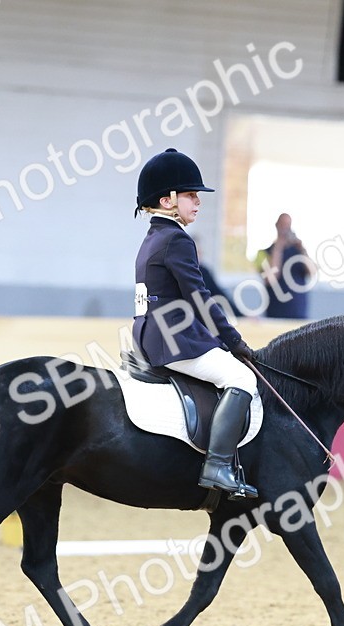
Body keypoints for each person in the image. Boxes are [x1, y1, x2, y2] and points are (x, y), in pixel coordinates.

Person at [132, 148, 258, 499]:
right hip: (173, 339)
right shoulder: (176, 239)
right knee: (242, 377)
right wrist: (233, 341)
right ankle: (217, 465)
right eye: (190, 195)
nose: (198, 202)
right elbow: (200, 298)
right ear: (167, 200)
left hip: (149, 334)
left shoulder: (154, 237)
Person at [255, 214, 312, 318]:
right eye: (283, 225)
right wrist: (278, 248)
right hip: (275, 314)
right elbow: (271, 278)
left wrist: (302, 250)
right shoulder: (262, 253)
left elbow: (311, 273)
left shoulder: (298, 252)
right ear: (276, 226)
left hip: (298, 313)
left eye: (288, 226)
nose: (285, 230)